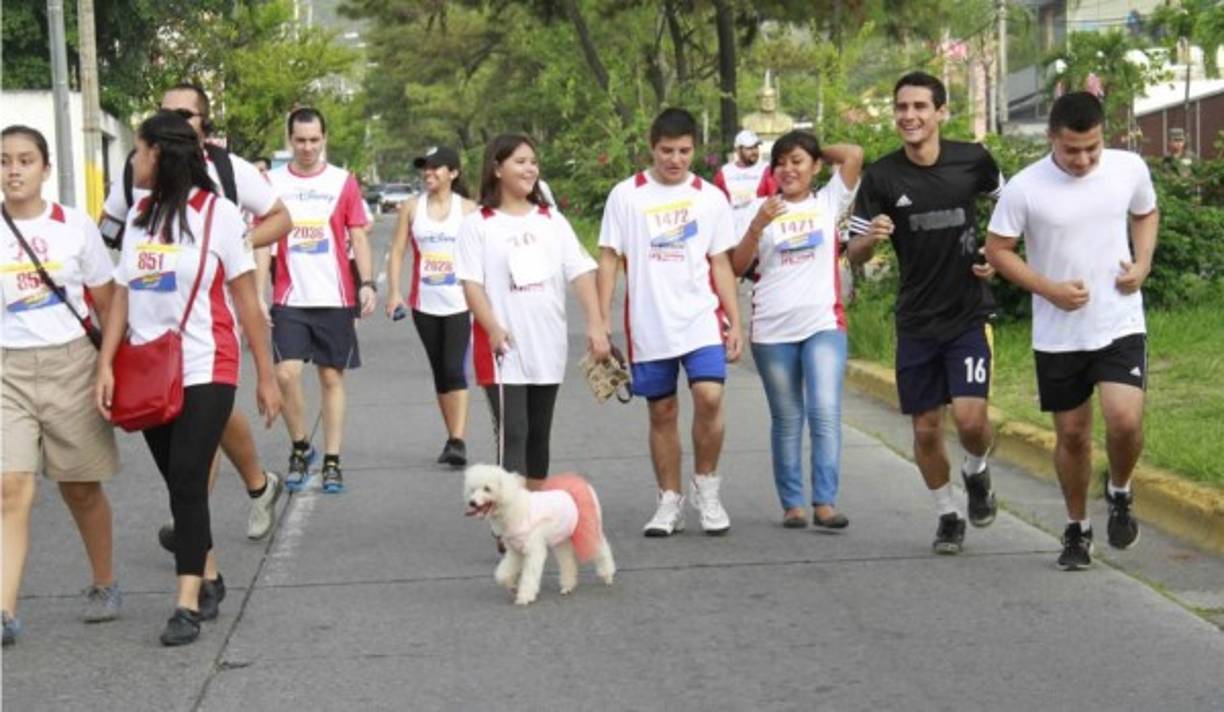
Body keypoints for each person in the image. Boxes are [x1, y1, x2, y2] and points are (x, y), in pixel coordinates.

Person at [94, 111, 280, 645]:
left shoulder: (219, 214)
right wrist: (106, 363)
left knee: (187, 477)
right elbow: (123, 293)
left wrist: (266, 376)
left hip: (206, 363)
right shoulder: (139, 214)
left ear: (160, 154)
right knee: (180, 483)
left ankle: (186, 605)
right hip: (147, 368)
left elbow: (247, 301)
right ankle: (211, 575)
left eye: (139, 150)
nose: (134, 159)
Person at [985, 92, 1156, 571]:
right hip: (1059, 333)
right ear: (1051, 139)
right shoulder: (1025, 187)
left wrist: (1143, 263)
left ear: (1105, 137)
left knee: (1124, 421)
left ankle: (1119, 490)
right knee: (1074, 436)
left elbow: (1145, 212)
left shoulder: (1128, 168)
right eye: (1071, 150)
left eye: (1092, 149)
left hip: (1119, 320)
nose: (1082, 160)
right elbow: (998, 250)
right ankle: (1077, 529)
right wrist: (1049, 290)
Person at [847, 71, 1003, 555]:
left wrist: (997, 256)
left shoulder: (973, 160)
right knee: (925, 428)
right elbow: (853, 253)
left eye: (919, 107)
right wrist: (870, 239)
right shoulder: (881, 177)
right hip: (916, 321)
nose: (909, 116)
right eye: (901, 107)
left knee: (972, 421)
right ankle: (948, 515)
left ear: (941, 112)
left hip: (968, 315)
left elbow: (1015, 208)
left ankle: (976, 470)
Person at [596, 108, 743, 537]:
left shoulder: (710, 198)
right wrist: (601, 321)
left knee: (709, 397)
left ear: (695, 149)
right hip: (650, 322)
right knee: (662, 411)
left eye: (683, 151)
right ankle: (669, 500)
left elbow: (721, 263)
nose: (675, 160)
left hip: (700, 318)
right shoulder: (626, 196)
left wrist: (736, 322)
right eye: (666, 151)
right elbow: (609, 259)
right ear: (651, 147)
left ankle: (707, 488)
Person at [1, 126, 121, 646]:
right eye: (4, 160)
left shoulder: (74, 226)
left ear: (45, 168)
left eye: (25, 160)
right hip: (7, 370)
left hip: (73, 365)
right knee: (10, 487)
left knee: (80, 488)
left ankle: (104, 582)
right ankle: (5, 611)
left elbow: (108, 302)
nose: (14, 170)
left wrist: (108, 366)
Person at [455, 134, 607, 488]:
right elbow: (471, 285)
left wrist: (596, 324)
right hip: (502, 347)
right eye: (520, 162)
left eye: (534, 162)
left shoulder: (551, 220)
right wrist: (493, 327)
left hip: (547, 342)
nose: (530, 169)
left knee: (539, 433)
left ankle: (534, 509)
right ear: (497, 169)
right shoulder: (479, 224)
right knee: (514, 432)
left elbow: (581, 272)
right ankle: (510, 517)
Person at [730, 130, 863, 529]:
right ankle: (792, 504)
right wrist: (757, 225)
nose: (787, 169)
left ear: (816, 166)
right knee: (788, 418)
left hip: (823, 324)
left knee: (824, 410)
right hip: (772, 330)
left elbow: (853, 154)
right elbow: (736, 266)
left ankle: (825, 502)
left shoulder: (828, 201)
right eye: (781, 163)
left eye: (797, 161)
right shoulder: (758, 210)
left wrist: (812, 146)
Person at [261, 107, 375, 494]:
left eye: (314, 140)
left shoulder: (343, 181)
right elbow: (261, 243)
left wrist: (367, 283)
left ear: (324, 139)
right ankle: (300, 447)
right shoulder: (271, 182)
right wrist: (258, 295)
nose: (307, 147)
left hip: (335, 296)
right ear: (289, 139)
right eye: (300, 140)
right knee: (286, 374)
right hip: (289, 296)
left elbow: (357, 235)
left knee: (331, 377)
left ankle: (332, 460)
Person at [386, 146, 478, 466]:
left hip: (460, 302)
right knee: (440, 371)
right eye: (425, 168)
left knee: (455, 368)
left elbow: (483, 255)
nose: (428, 173)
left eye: (436, 167)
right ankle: (451, 437)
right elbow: (398, 251)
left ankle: (458, 440)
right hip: (424, 303)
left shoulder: (468, 210)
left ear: (453, 173)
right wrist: (394, 292)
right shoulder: (412, 208)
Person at [713, 129, 776, 236]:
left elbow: (774, 199)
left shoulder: (767, 170)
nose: (754, 151)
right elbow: (716, 203)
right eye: (749, 148)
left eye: (756, 147)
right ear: (738, 150)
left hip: (760, 231)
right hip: (731, 231)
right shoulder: (724, 172)